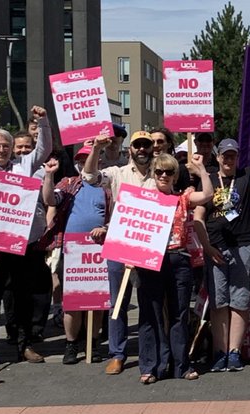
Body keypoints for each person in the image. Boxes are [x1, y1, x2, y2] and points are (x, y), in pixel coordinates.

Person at [0, 106, 53, 362]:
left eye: (6, 145)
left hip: (21, 244)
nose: (2, 150)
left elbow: (44, 149)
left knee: (22, 297)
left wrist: (44, 121)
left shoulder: (23, 166)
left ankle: (24, 343)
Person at [192, 122, 250, 372]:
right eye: (225, 155)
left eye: (233, 155)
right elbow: (198, 216)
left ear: (237, 157)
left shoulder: (246, 176)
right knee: (219, 304)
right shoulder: (208, 180)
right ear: (218, 157)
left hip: (243, 247)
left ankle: (234, 353)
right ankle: (220, 352)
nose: (229, 159)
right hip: (216, 249)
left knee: (239, 303)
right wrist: (207, 248)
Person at [82, 128, 159, 375]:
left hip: (150, 245)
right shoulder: (117, 173)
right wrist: (96, 148)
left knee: (151, 301)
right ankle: (117, 353)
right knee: (118, 303)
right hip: (120, 244)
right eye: (138, 145)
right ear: (131, 149)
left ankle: (152, 349)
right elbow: (90, 176)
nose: (142, 149)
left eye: (146, 145)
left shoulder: (161, 173)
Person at [133, 153, 212, 383]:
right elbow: (128, 228)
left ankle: (181, 365)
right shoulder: (142, 200)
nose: (164, 176)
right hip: (150, 261)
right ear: (153, 174)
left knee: (179, 314)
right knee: (151, 314)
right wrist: (128, 254)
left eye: (169, 172)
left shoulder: (183, 198)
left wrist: (201, 169)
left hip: (179, 259)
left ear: (175, 175)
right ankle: (151, 366)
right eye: (159, 172)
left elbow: (207, 194)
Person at [40, 144, 110, 365]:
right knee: (73, 302)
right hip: (72, 249)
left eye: (91, 158)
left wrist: (106, 229)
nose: (85, 163)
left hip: (98, 250)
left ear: (100, 162)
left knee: (98, 302)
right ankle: (71, 344)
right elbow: (50, 200)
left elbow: (114, 216)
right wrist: (49, 176)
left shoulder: (106, 189)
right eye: (81, 159)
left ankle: (93, 342)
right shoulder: (68, 184)